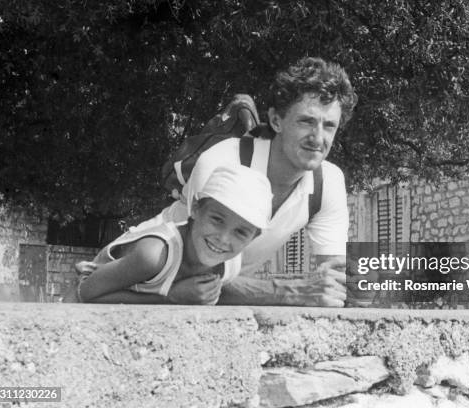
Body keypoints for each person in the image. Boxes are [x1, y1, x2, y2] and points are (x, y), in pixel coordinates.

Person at [140, 57, 358, 307]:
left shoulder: (328, 181)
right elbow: (196, 275)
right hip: (139, 276)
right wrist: (291, 291)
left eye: (329, 126)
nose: (318, 138)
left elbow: (338, 280)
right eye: (306, 121)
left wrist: (355, 289)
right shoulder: (223, 161)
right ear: (276, 120)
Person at [63, 165, 272, 304]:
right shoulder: (154, 254)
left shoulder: (229, 267)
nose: (224, 239)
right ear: (195, 209)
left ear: (254, 237)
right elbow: (86, 293)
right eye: (217, 220)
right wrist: (171, 297)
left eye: (241, 232)